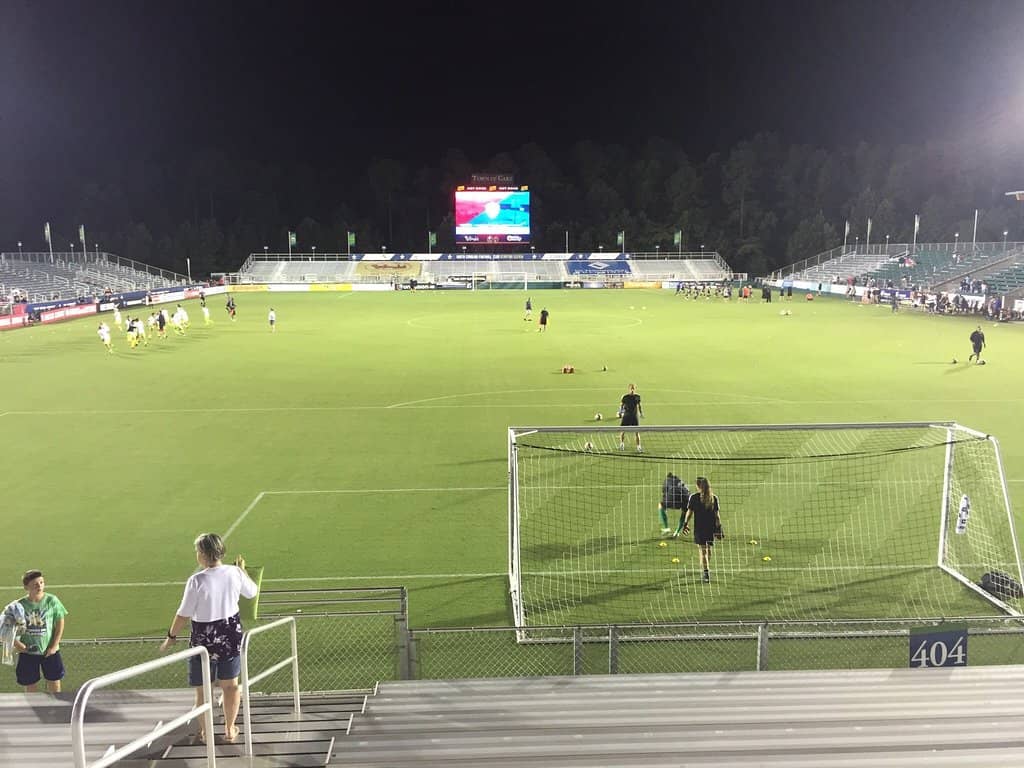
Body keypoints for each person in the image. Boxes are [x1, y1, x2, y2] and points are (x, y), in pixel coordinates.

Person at [160, 533, 258, 744]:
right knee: (231, 686)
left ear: (203, 554)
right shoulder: (234, 573)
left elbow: (183, 614)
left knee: (203, 690)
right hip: (229, 634)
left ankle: (206, 732)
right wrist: (242, 571)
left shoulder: (197, 580)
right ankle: (229, 728)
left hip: (203, 638)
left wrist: (171, 637)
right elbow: (252, 592)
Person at [13, 569, 68, 693]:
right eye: (35, 584)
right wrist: (18, 644)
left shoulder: (52, 601)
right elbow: (8, 628)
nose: (39, 586)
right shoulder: (19, 605)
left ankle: (55, 704)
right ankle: (34, 704)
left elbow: (60, 623)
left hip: (49, 651)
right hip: (28, 652)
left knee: (54, 681)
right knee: (30, 684)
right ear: (26, 587)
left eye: (41, 582)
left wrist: (54, 646)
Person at [675, 476, 723, 583]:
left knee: (702, 551)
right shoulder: (713, 498)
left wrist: (685, 524)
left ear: (698, 486)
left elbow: (689, 513)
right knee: (708, 549)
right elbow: (717, 516)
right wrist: (719, 528)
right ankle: (706, 568)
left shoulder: (694, 497)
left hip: (700, 528)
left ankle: (706, 573)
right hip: (710, 528)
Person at [618, 383, 643, 452]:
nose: (632, 390)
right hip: (626, 416)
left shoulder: (637, 397)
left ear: (635, 389)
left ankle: (638, 446)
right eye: (631, 388)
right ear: (628, 389)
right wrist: (620, 412)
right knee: (622, 431)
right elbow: (621, 405)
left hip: (634, 417)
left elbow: (639, 405)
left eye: (633, 388)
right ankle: (622, 444)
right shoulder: (625, 397)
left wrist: (641, 413)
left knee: (637, 432)